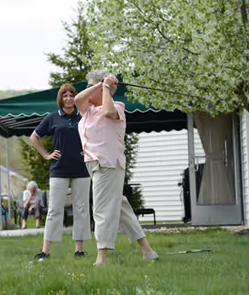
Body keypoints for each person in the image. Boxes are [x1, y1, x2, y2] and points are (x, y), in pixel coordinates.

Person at [75, 70, 158, 266]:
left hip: (108, 165)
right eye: (89, 86)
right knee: (120, 208)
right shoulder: (87, 110)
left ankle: (101, 258)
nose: (88, 90)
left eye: (92, 86)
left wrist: (105, 86)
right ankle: (147, 250)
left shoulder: (117, 107)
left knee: (102, 209)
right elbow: (78, 98)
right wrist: (100, 84)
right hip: (94, 165)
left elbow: (108, 112)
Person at [30, 83, 91, 261]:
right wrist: (46, 155)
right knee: (54, 210)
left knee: (81, 209)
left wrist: (89, 150)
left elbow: (95, 135)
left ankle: (79, 251)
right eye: (65, 95)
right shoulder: (52, 118)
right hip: (58, 170)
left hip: (82, 169)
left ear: (75, 97)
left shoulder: (83, 117)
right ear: (61, 99)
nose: (69, 98)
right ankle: (45, 252)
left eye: (71, 95)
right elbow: (34, 137)